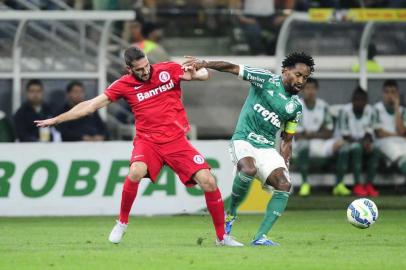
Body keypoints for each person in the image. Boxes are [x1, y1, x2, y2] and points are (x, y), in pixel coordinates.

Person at [35, 47, 243, 247]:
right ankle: (122, 222)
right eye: (139, 69)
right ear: (129, 69)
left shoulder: (166, 70)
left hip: (176, 140)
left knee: (208, 181)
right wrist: (57, 119)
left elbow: (204, 76)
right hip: (148, 141)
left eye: (146, 66)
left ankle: (221, 237)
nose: (145, 71)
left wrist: (197, 69)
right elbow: (89, 106)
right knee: (135, 172)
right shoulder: (123, 85)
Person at [182, 52, 314, 246]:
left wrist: (285, 162)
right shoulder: (265, 79)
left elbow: (287, 139)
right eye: (298, 74)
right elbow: (232, 67)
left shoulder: (295, 107)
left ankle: (260, 237)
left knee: (285, 184)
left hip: (267, 148)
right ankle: (231, 215)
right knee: (248, 169)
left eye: (305, 77)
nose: (301, 81)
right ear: (285, 70)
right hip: (244, 139)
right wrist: (205, 63)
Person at [295, 78, 350, 197]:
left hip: (321, 143)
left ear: (317, 90)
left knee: (343, 146)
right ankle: (305, 184)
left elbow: (329, 132)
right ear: (303, 90)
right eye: (307, 88)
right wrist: (318, 132)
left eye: (313, 88)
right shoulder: (296, 106)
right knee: (303, 144)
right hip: (301, 145)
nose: (310, 91)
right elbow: (297, 135)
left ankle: (339, 185)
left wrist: (312, 134)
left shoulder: (323, 106)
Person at [337, 87, 380, 197]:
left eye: (363, 100)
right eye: (357, 99)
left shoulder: (371, 111)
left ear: (366, 101)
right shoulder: (345, 111)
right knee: (357, 148)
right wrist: (363, 142)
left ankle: (369, 184)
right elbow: (345, 134)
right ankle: (357, 184)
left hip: (362, 141)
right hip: (345, 142)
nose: (360, 102)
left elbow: (370, 131)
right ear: (353, 100)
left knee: (375, 149)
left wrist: (367, 141)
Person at [373, 80, 406, 178]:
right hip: (382, 142)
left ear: (397, 94)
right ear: (383, 94)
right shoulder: (376, 109)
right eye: (387, 92)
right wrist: (398, 135)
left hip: (400, 141)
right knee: (400, 156)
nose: (389, 95)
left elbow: (402, 131)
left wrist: (396, 108)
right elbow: (379, 133)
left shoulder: (402, 111)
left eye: (392, 92)